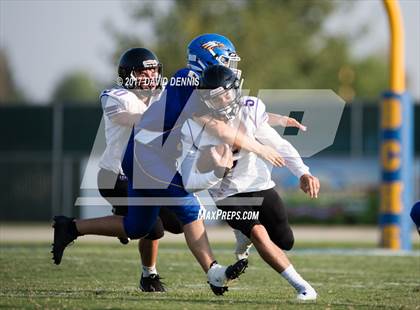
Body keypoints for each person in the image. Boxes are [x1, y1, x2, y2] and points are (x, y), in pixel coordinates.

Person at [52, 47, 248, 296]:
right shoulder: (116, 95)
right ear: (127, 74)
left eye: (153, 69)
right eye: (143, 71)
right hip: (116, 175)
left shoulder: (163, 93)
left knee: (151, 226)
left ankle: (71, 227)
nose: (149, 75)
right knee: (161, 224)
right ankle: (158, 275)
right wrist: (174, 114)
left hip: (146, 167)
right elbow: (130, 118)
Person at [179, 65, 319, 301]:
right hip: (226, 194)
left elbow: (278, 144)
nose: (224, 101)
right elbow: (189, 182)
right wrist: (217, 172)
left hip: (260, 185)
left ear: (237, 90)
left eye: (227, 94)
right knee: (258, 232)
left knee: (285, 241)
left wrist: (303, 172)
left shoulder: (250, 109)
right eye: (215, 97)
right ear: (205, 100)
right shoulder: (194, 127)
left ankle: (243, 237)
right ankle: (304, 287)